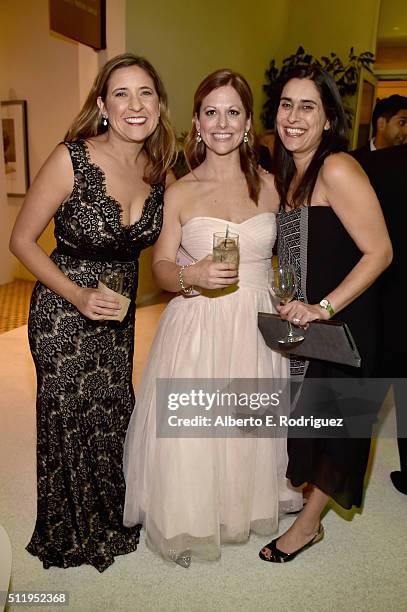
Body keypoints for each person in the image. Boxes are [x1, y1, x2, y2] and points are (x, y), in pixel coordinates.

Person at [123, 68, 302, 567]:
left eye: (233, 112)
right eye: (211, 112)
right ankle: (188, 517)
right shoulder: (179, 192)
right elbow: (159, 269)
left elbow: (287, 256)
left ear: (247, 123)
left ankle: (237, 506)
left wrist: (291, 295)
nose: (221, 123)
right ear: (197, 124)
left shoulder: (272, 187)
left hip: (257, 322)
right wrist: (192, 274)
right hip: (199, 321)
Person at [9, 53, 176, 572]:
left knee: (111, 411)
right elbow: (21, 241)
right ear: (103, 105)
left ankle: (113, 514)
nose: (134, 105)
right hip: (62, 308)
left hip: (119, 315)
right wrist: (78, 296)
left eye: (145, 93)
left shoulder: (161, 169)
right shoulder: (71, 158)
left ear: (158, 104)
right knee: (68, 414)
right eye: (121, 94)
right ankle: (70, 529)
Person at [258, 66, 392, 563]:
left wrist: (323, 307)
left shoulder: (337, 168)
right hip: (308, 322)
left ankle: (309, 527)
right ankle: (308, 506)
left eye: (307, 106)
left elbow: (380, 252)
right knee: (309, 419)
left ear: (329, 118)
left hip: (344, 320)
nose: (293, 117)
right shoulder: (291, 172)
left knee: (336, 426)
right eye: (287, 105)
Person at [351, 144, 407, 495]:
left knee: (362, 395)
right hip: (386, 293)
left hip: (384, 295)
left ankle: (335, 475)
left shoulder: (373, 163)